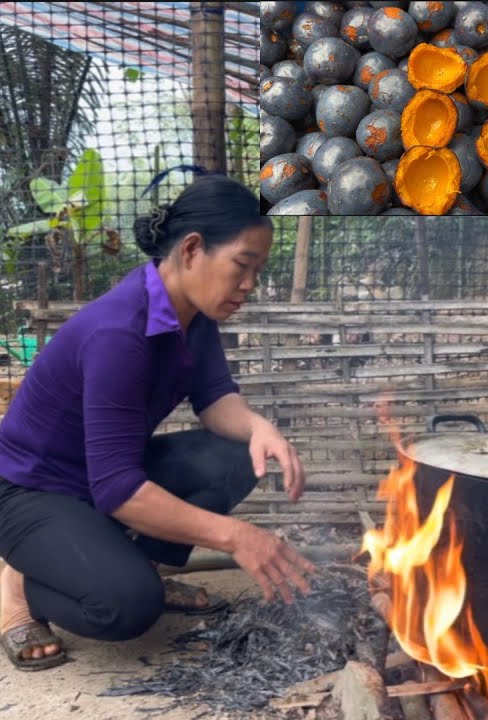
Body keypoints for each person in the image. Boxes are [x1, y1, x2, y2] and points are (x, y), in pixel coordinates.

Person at [0, 174, 317, 672]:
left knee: (236, 457)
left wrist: (261, 428)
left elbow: (215, 399)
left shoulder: (195, 313)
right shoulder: (119, 334)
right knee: (126, 606)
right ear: (192, 249)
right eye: (242, 265)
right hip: (31, 490)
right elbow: (118, 490)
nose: (249, 285)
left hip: (97, 479)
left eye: (257, 270)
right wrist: (238, 536)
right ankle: (20, 585)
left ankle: (133, 564)